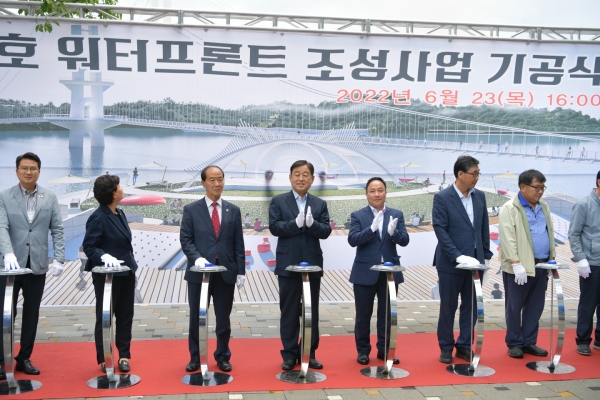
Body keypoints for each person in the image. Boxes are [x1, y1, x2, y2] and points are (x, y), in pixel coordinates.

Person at [0, 152, 65, 377]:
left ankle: (24, 358)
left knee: (32, 313)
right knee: (5, 313)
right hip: (9, 266)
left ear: (39, 171)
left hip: (37, 264)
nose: (28, 172)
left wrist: (59, 258)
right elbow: (1, 227)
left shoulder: (49, 197)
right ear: (17, 170)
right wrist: (8, 253)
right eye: (24, 168)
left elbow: (57, 229)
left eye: (33, 168)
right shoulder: (4, 196)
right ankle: (3, 359)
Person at [180, 165, 245, 373]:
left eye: (220, 179)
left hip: (225, 273)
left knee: (223, 319)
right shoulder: (191, 210)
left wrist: (241, 271)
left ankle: (223, 356)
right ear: (203, 183)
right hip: (199, 274)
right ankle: (195, 357)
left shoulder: (233, 210)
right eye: (212, 180)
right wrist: (196, 259)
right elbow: (186, 240)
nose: (217, 184)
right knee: (196, 317)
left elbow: (238, 243)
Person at [269, 160, 332, 371]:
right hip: (288, 264)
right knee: (288, 310)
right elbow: (275, 227)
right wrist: (294, 224)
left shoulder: (319, 204)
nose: (301, 178)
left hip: (312, 264)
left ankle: (309, 352)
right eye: (297, 174)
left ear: (312, 179)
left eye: (305, 174)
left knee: (311, 311)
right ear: (290, 177)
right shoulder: (279, 201)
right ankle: (289, 354)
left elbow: (326, 231)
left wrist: (312, 225)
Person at [432, 155, 493, 364]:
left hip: (476, 262)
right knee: (448, 307)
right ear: (460, 174)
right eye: (473, 173)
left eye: (478, 173)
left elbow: (483, 227)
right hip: (451, 263)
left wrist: (486, 255)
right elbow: (440, 230)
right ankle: (446, 347)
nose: (477, 177)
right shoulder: (443, 197)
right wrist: (457, 256)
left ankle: (464, 345)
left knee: (472, 306)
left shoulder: (480, 196)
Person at [348, 177, 410, 365]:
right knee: (363, 316)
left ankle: (385, 350)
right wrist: (371, 229)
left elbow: (404, 240)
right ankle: (363, 351)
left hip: (389, 273)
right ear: (366, 194)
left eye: (380, 190)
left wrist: (393, 233)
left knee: (387, 315)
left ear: (385, 192)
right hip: (364, 272)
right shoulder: (358, 215)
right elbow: (353, 240)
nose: (376, 194)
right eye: (372, 191)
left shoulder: (396, 214)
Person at [83, 174, 138, 373]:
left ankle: (124, 355)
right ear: (113, 193)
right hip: (107, 276)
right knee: (105, 316)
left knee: (125, 315)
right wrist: (104, 256)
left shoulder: (119, 213)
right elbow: (89, 246)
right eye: (119, 186)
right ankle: (104, 357)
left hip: (126, 272)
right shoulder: (98, 217)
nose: (122, 188)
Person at [499, 169, 554, 359]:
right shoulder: (510, 208)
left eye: (542, 188)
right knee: (514, 306)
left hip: (541, 264)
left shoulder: (543, 206)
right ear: (523, 186)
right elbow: (507, 238)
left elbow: (549, 233)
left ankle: (529, 341)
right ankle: (514, 342)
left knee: (535, 306)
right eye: (536, 187)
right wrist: (515, 263)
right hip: (519, 267)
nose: (540, 191)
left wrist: (552, 257)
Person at [568, 170, 600, 356]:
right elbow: (573, 234)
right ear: (599, 182)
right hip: (591, 262)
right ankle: (583, 340)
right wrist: (580, 258)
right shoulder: (584, 205)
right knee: (588, 304)